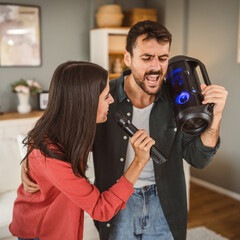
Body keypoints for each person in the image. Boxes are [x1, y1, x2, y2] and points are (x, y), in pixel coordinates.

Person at [22, 21, 228, 240]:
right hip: (117, 202)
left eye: (163, 58)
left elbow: (199, 159)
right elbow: (59, 126)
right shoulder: (101, 96)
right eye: (147, 58)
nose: (156, 67)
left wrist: (215, 118)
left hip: (165, 203)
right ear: (127, 58)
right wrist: (29, 163)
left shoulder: (178, 98)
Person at [10, 61, 156, 240]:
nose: (111, 100)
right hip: (41, 231)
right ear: (85, 102)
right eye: (106, 96)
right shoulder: (51, 156)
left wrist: (27, 165)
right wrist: (139, 162)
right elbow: (101, 209)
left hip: (60, 223)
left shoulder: (70, 129)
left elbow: (35, 143)